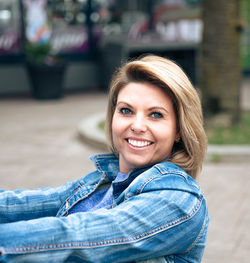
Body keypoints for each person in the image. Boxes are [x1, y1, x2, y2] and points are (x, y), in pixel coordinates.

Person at [0, 55, 209, 263]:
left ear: (179, 130)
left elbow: (76, 236)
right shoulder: (101, 183)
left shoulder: (180, 201)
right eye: (126, 110)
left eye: (155, 115)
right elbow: (20, 204)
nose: (137, 126)